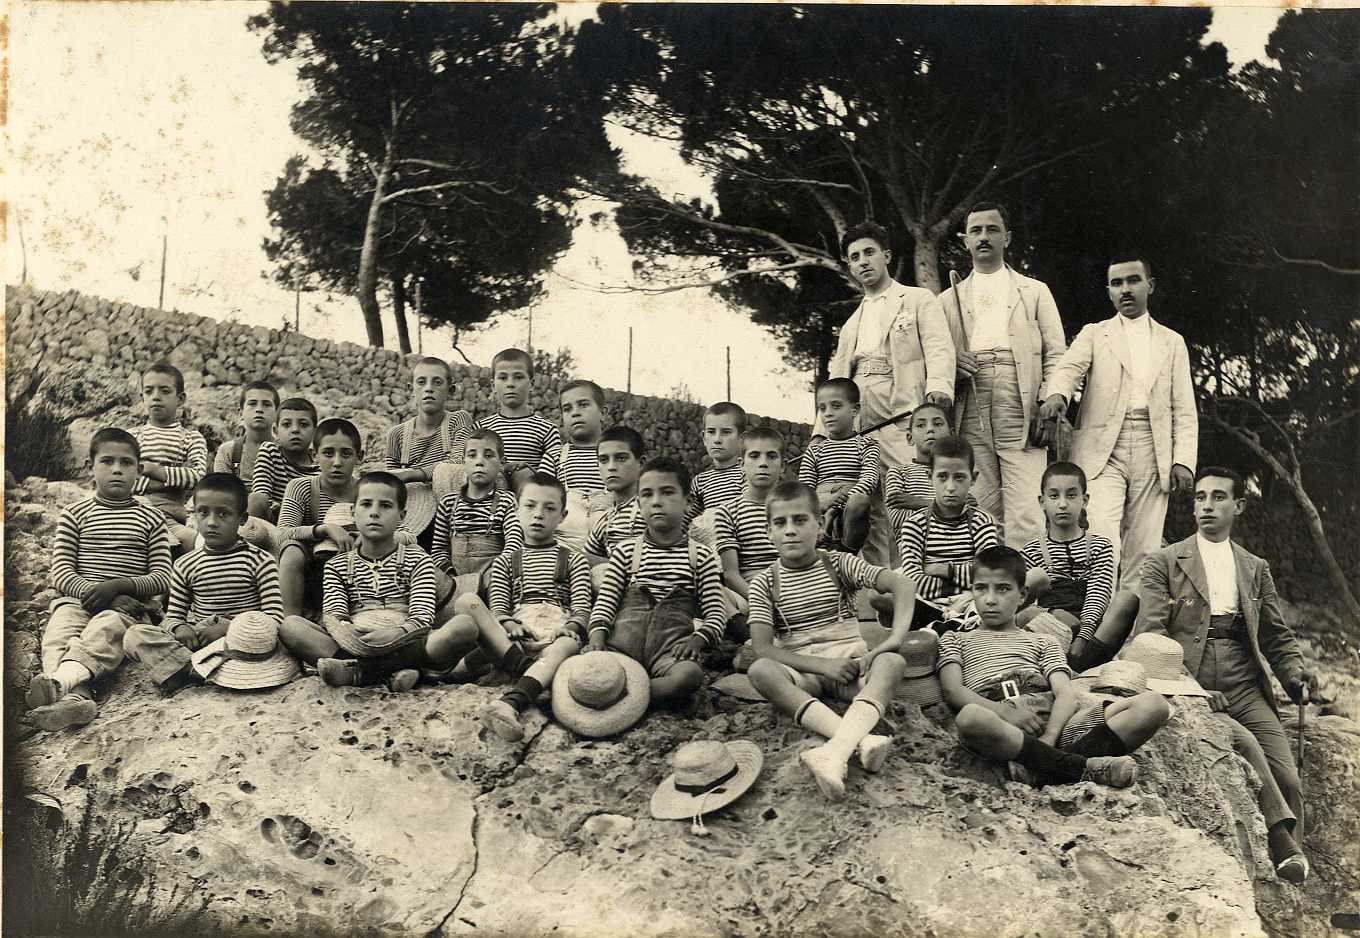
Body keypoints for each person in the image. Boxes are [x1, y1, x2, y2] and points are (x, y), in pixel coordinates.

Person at [1134, 466, 1319, 885]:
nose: (1207, 506)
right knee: (1245, 744)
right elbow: (1150, 634)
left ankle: (1294, 866)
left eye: (1218, 497)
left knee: (1288, 776)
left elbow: (1275, 635)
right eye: (1200, 497)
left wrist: (1294, 675)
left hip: (1243, 678)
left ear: (1238, 506)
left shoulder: (1255, 567)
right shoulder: (1163, 562)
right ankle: (1283, 846)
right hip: (1192, 675)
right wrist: (1189, 689)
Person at [939, 546, 1169, 788]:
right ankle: (1079, 768)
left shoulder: (1042, 640)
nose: (990, 599)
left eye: (1003, 589)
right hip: (1002, 723)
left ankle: (1042, 767)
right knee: (970, 718)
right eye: (981, 588)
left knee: (1153, 706)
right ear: (972, 590)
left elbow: (1065, 694)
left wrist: (1051, 735)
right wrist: (1005, 712)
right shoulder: (956, 639)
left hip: (1053, 720)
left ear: (1022, 595)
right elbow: (954, 691)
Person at [745, 481, 916, 799]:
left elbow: (902, 584)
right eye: (780, 523)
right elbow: (763, 647)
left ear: (819, 524)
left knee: (893, 662)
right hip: (805, 671)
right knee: (761, 670)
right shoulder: (764, 583)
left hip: (850, 665)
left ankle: (833, 752)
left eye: (800, 520)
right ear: (769, 532)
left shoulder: (838, 563)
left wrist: (894, 638)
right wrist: (823, 666)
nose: (790, 531)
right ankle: (854, 741)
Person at [1039, 251, 1197, 586]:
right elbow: (1068, 369)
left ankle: (1129, 631)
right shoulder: (1096, 334)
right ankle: (1096, 624)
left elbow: (1184, 408)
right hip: (1101, 448)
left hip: (1154, 448)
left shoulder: (1172, 342)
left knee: (1144, 547)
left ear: (1150, 285)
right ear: (1109, 291)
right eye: (1116, 283)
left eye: (1133, 280)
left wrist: (1183, 460)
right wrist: (1057, 395)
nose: (1125, 289)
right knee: (1103, 537)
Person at [823, 221, 956, 570]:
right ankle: (879, 590)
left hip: (901, 410)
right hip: (861, 415)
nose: (863, 262)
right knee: (869, 503)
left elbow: (939, 347)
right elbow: (837, 380)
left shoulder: (916, 299)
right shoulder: (852, 322)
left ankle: (921, 583)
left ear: (886, 255)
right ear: (849, 266)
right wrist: (823, 433)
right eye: (854, 257)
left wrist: (938, 389)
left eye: (869, 252)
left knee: (908, 495)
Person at [25, 428, 174, 731]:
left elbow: (162, 576)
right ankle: (74, 699)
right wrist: (95, 592)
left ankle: (64, 685)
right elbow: (61, 571)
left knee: (106, 629)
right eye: (107, 461)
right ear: (91, 467)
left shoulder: (152, 519)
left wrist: (120, 587)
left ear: (138, 469)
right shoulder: (75, 513)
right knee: (58, 633)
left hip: (126, 609)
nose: (117, 469)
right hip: (79, 601)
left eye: (126, 463)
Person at [937, 202, 1067, 548]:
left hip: (1019, 395)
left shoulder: (1034, 291)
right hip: (970, 398)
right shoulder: (947, 300)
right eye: (976, 231)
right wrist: (952, 367)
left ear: (1007, 238)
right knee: (980, 506)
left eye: (992, 230)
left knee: (1026, 507)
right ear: (965, 240)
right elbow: (934, 360)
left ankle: (1030, 597)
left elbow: (1057, 353)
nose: (983, 237)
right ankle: (988, 596)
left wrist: (1049, 401)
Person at [282, 471, 468, 692]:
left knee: (465, 626)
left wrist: (396, 633)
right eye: (366, 505)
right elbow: (335, 614)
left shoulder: (418, 559)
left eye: (386, 506)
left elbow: (422, 616)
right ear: (353, 512)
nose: (374, 513)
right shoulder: (337, 565)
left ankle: (363, 672)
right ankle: (397, 671)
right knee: (291, 626)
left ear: (402, 516)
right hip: (356, 640)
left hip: (407, 639)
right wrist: (349, 632)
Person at [448, 473, 595, 742]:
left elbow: (582, 607)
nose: (538, 514)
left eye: (549, 508)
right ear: (517, 511)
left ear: (562, 516)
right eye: (530, 506)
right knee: (466, 602)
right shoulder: (505, 562)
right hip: (514, 639)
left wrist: (571, 627)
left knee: (567, 646)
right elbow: (499, 606)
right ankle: (441, 674)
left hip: (553, 636)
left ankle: (510, 703)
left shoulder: (574, 560)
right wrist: (509, 624)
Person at [122, 473, 284, 694]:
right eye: (203, 512)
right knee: (135, 635)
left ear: (242, 519)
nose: (212, 522)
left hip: (242, 640)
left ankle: (190, 670)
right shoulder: (185, 564)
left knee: (263, 643)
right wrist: (181, 628)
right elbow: (174, 616)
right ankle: (188, 669)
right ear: (194, 515)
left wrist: (230, 628)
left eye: (223, 514)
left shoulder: (260, 560)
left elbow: (274, 617)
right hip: (202, 639)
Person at [586, 457, 726, 707]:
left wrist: (698, 639)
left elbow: (716, 612)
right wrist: (597, 636)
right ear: (639, 503)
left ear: (688, 502)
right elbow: (606, 602)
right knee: (586, 666)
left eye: (667, 492)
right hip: (621, 650)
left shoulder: (701, 556)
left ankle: (630, 698)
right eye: (647, 495)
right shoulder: (626, 551)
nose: (657, 502)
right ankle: (620, 690)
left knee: (689, 675)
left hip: (669, 654)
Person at [1018, 462, 1117, 668]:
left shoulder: (1100, 546)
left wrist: (1082, 638)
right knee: (1031, 583)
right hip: (1049, 632)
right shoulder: (1032, 550)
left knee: (1127, 600)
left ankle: (1082, 662)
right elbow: (1027, 605)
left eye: (1071, 495)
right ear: (1042, 501)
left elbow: (1098, 597)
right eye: (1054, 496)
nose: (1062, 504)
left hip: (1091, 638)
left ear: (1085, 500)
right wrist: (1053, 616)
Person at [894, 436, 1000, 621]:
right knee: (882, 593)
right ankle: (941, 619)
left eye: (959, 477)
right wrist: (969, 583)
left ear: (973, 478)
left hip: (972, 601)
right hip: (929, 603)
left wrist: (947, 570)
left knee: (1023, 579)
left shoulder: (982, 521)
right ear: (930, 476)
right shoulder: (914, 524)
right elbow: (912, 582)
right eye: (942, 476)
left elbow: (989, 575)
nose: (950, 487)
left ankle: (954, 623)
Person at [275, 417, 365, 617]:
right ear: (314, 455)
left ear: (359, 457)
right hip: (312, 575)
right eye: (328, 453)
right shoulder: (302, 487)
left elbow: (403, 533)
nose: (337, 462)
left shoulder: (367, 490)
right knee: (290, 550)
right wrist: (324, 529)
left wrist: (367, 538)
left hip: (359, 572)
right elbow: (280, 534)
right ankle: (291, 620)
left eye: (346, 454)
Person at [383, 356, 475, 547]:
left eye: (437, 382)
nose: (429, 388)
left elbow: (458, 461)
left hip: (450, 510)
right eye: (421, 382)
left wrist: (411, 474)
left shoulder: (459, 420)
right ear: (411, 390)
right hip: (413, 514)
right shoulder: (396, 434)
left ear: (450, 391)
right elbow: (392, 481)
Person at [429, 429, 523, 593]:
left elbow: (513, 545)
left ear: (501, 462)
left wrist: (491, 575)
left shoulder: (506, 501)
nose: (479, 462)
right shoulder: (448, 503)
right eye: (472, 455)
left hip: (493, 580)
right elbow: (439, 550)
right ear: (464, 461)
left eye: (488, 455)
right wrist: (453, 579)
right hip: (455, 582)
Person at [129, 361, 208, 552]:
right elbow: (125, 478)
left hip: (170, 515)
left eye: (164, 391)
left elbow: (197, 477)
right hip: (134, 511)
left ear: (180, 399)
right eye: (149, 391)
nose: (156, 397)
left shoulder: (191, 438)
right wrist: (173, 477)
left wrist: (150, 469)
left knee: (195, 542)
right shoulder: (132, 437)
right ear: (142, 397)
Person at [798, 378, 880, 552]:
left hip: (849, 503)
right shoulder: (816, 450)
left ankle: (846, 552)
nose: (828, 413)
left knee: (861, 500)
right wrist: (824, 502)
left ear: (854, 410)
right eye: (822, 408)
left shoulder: (866, 444)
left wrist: (841, 500)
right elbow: (805, 487)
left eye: (836, 406)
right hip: (820, 503)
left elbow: (870, 478)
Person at [540, 379, 611, 554]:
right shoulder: (555, 456)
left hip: (608, 540)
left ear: (603, 412)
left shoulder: (616, 453)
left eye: (583, 405)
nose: (575, 413)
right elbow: (540, 499)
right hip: (565, 541)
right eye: (567, 409)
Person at [475, 348, 561, 492]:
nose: (510, 384)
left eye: (518, 377)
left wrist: (524, 471)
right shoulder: (481, 428)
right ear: (493, 385)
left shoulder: (546, 429)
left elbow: (554, 472)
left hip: (528, 496)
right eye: (503, 378)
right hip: (490, 495)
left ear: (532, 384)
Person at [583, 426, 648, 588]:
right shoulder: (606, 520)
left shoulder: (651, 508)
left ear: (641, 463)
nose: (611, 467)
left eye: (621, 458)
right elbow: (586, 557)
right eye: (604, 460)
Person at [246, 397, 319, 522]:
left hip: (305, 530)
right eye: (286, 424)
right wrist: (290, 514)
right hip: (272, 525)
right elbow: (261, 494)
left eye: (303, 424)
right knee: (256, 499)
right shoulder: (271, 451)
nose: (295, 430)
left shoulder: (320, 467)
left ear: (315, 432)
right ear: (275, 431)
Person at [882, 401, 951, 533]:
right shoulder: (899, 473)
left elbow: (970, 515)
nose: (930, 429)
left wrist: (919, 503)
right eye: (921, 425)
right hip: (914, 550)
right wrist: (948, 509)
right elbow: (898, 520)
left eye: (938, 424)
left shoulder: (957, 471)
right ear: (909, 437)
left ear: (951, 433)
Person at [686, 402, 747, 546]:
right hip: (711, 548)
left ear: (742, 439)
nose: (717, 439)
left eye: (726, 432)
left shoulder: (746, 474)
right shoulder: (701, 481)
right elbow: (688, 520)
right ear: (704, 438)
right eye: (711, 432)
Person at [213, 380, 279, 483]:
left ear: (277, 413)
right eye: (252, 404)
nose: (259, 409)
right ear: (241, 412)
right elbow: (222, 491)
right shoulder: (228, 451)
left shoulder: (285, 452)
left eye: (266, 404)